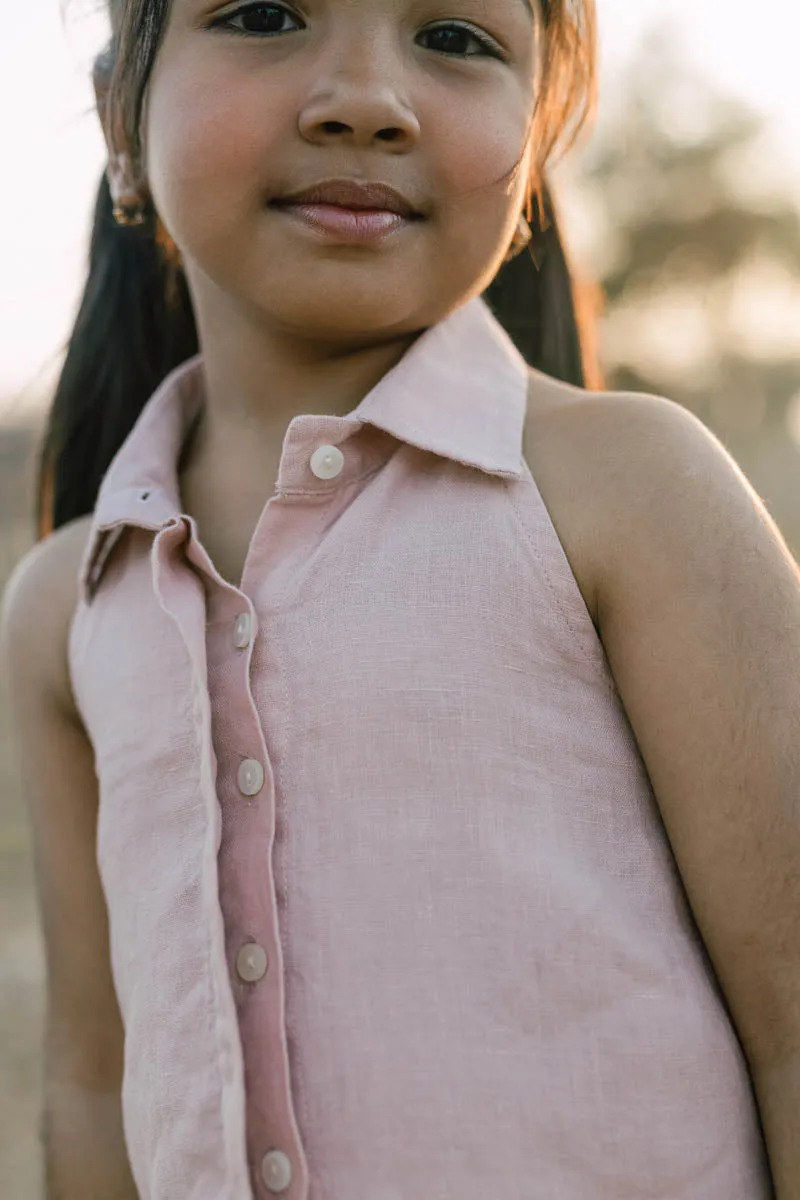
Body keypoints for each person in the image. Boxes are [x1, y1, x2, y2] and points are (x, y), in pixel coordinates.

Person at [1, 0, 798, 1195]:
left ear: (533, 141)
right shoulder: (67, 609)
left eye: (455, 37)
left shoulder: (632, 494)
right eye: (265, 14)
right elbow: (92, 1081)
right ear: (122, 118)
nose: (365, 100)